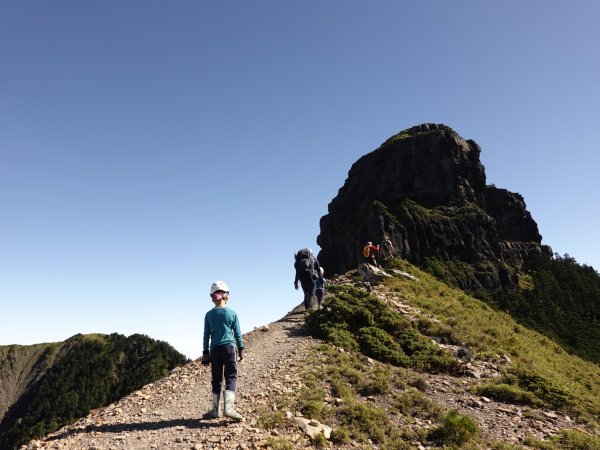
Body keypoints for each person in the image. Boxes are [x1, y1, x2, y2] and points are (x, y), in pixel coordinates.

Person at [201, 280, 244, 421]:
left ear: (213, 297)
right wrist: (241, 348)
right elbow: (237, 333)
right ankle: (229, 409)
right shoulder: (232, 313)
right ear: (226, 296)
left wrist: (205, 352)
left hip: (214, 350)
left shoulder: (208, 315)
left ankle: (215, 410)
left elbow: (206, 335)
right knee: (231, 376)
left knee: (217, 379)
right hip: (229, 348)